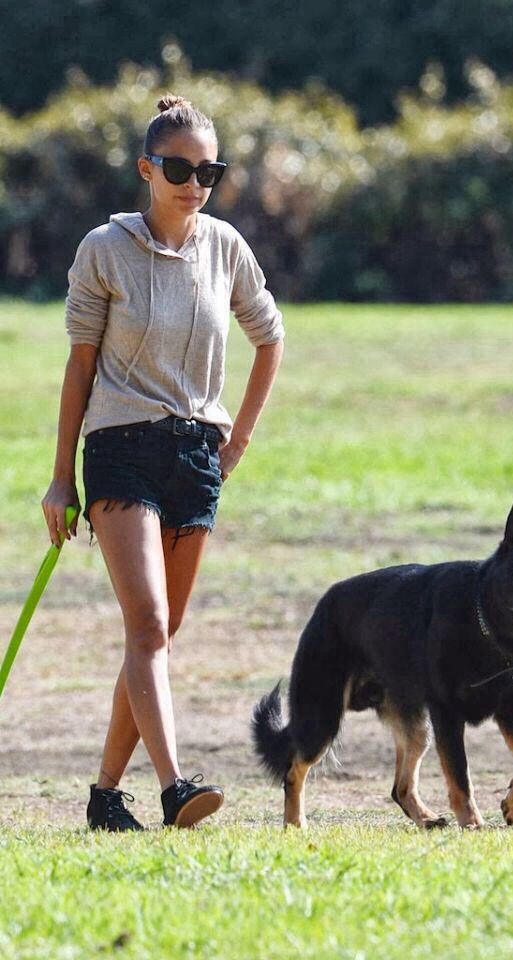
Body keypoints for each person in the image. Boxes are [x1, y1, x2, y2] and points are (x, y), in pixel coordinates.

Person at [41, 94, 285, 831]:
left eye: (208, 169)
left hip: (195, 456)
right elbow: (79, 368)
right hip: (119, 450)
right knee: (147, 625)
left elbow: (270, 339)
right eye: (178, 167)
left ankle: (104, 796)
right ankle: (176, 786)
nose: (194, 182)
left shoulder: (226, 248)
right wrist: (60, 477)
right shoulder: (104, 249)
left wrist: (235, 441)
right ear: (147, 168)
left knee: (159, 636)